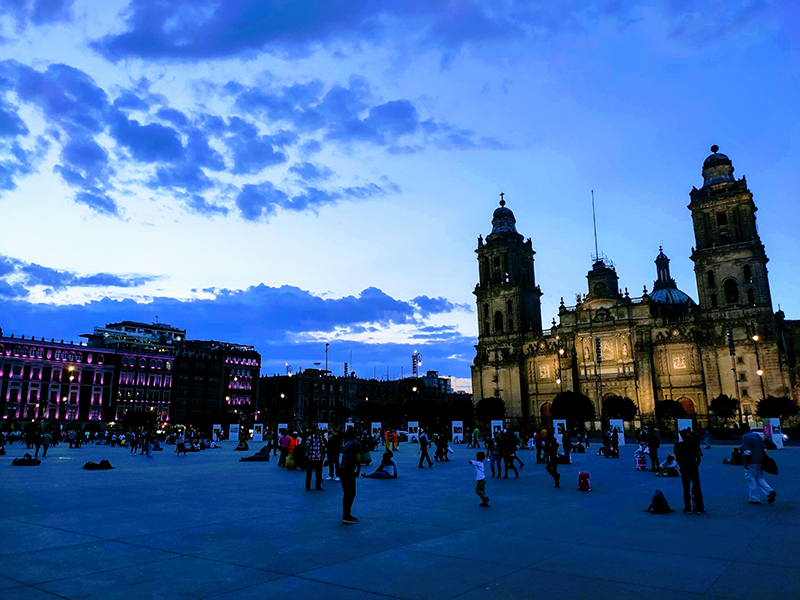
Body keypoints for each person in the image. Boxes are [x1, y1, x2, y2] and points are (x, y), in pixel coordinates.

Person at [741, 425, 777, 505]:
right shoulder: (756, 435)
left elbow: (747, 451)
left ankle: (754, 498)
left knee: (751, 478)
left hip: (752, 460)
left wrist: (746, 463)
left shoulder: (745, 437)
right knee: (759, 477)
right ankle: (769, 491)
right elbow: (763, 448)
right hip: (760, 460)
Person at [674, 428, 704, 513]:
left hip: (684, 468)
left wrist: (682, 466)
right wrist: (695, 465)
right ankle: (699, 507)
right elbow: (698, 458)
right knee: (697, 487)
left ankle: (687, 507)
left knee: (686, 488)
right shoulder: (693, 444)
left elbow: (678, 459)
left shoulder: (678, 446)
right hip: (693, 468)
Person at [338, 428, 362, 524]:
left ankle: (346, 513)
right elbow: (358, 459)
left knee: (346, 493)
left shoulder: (346, 443)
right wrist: (358, 470)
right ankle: (346, 515)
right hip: (349, 470)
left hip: (342, 469)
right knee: (351, 493)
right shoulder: (357, 444)